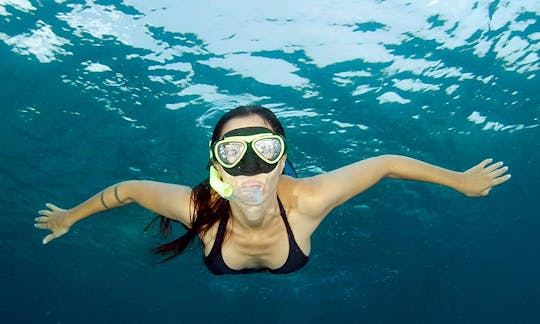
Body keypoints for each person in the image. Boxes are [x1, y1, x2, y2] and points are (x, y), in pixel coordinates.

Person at [34, 105, 511, 275]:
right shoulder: (197, 205)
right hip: (222, 249)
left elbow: (385, 163)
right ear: (216, 163)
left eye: (264, 149)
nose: (250, 167)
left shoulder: (308, 199)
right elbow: (129, 189)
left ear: (283, 159)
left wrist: (461, 182)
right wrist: (68, 217)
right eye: (232, 152)